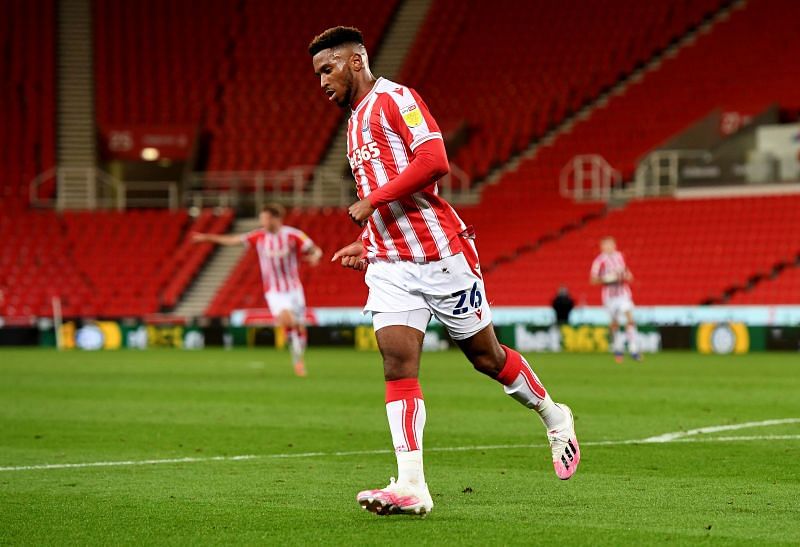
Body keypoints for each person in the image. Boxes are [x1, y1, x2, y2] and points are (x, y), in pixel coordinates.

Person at [310, 26, 581, 517]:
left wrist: (372, 200)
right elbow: (386, 196)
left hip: (441, 256)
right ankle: (412, 484)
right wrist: (367, 241)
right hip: (391, 263)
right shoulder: (351, 126)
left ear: (355, 62)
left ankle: (554, 414)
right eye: (316, 74)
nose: (321, 82)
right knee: (396, 362)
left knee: (486, 357)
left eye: (326, 69)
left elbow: (435, 160)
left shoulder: (397, 99)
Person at [192, 204, 322, 376]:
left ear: (276, 218)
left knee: (298, 326)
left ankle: (298, 357)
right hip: (274, 291)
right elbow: (233, 240)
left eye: (266, 218)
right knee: (287, 320)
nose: (263, 222)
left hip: (294, 289)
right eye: (262, 219)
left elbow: (316, 250)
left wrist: (315, 256)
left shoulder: (293, 235)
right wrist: (207, 238)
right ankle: (296, 356)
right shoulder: (259, 236)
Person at [590, 236, 641, 363]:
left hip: (623, 293)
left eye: (610, 245)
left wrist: (628, 275)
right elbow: (593, 280)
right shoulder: (599, 261)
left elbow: (625, 271)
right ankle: (618, 348)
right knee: (614, 323)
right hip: (609, 297)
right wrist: (607, 278)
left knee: (629, 317)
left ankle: (634, 349)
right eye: (605, 245)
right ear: (602, 247)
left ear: (614, 245)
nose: (608, 247)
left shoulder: (620, 256)